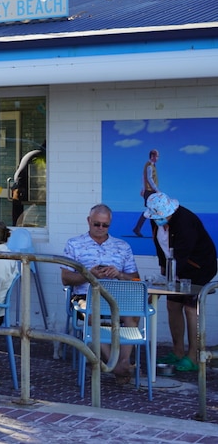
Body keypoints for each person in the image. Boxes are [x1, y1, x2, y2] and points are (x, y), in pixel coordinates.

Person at [61, 203, 140, 381]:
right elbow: (65, 278)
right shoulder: (74, 244)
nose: (100, 229)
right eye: (97, 224)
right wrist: (89, 275)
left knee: (133, 315)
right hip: (85, 296)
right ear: (89, 221)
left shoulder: (122, 246)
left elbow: (135, 280)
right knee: (92, 314)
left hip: (117, 296)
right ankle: (114, 362)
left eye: (105, 225)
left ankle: (123, 361)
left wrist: (119, 274)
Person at [145, 192, 217, 372]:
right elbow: (161, 248)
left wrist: (171, 279)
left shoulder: (185, 221)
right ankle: (177, 352)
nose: (158, 220)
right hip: (175, 267)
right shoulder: (155, 219)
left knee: (190, 308)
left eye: (161, 217)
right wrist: (163, 273)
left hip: (199, 267)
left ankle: (193, 356)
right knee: (172, 305)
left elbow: (182, 255)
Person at [132, 149, 160, 238]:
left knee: (151, 210)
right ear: (152, 156)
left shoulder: (150, 165)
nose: (158, 158)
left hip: (149, 191)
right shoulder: (149, 166)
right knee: (153, 210)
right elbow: (149, 178)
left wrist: (143, 189)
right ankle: (156, 232)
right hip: (150, 191)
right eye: (157, 156)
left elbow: (143, 177)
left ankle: (138, 228)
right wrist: (156, 189)